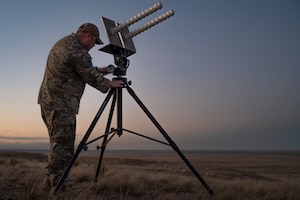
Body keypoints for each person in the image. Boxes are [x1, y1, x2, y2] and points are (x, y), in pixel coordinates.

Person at [38, 23, 123, 193]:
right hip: (60, 105)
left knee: (58, 144)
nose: (93, 46)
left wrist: (101, 70)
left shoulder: (67, 44)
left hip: (52, 102)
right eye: (94, 43)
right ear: (89, 36)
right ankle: (58, 189)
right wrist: (110, 84)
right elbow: (88, 74)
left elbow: (80, 69)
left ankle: (48, 186)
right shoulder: (76, 49)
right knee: (63, 148)